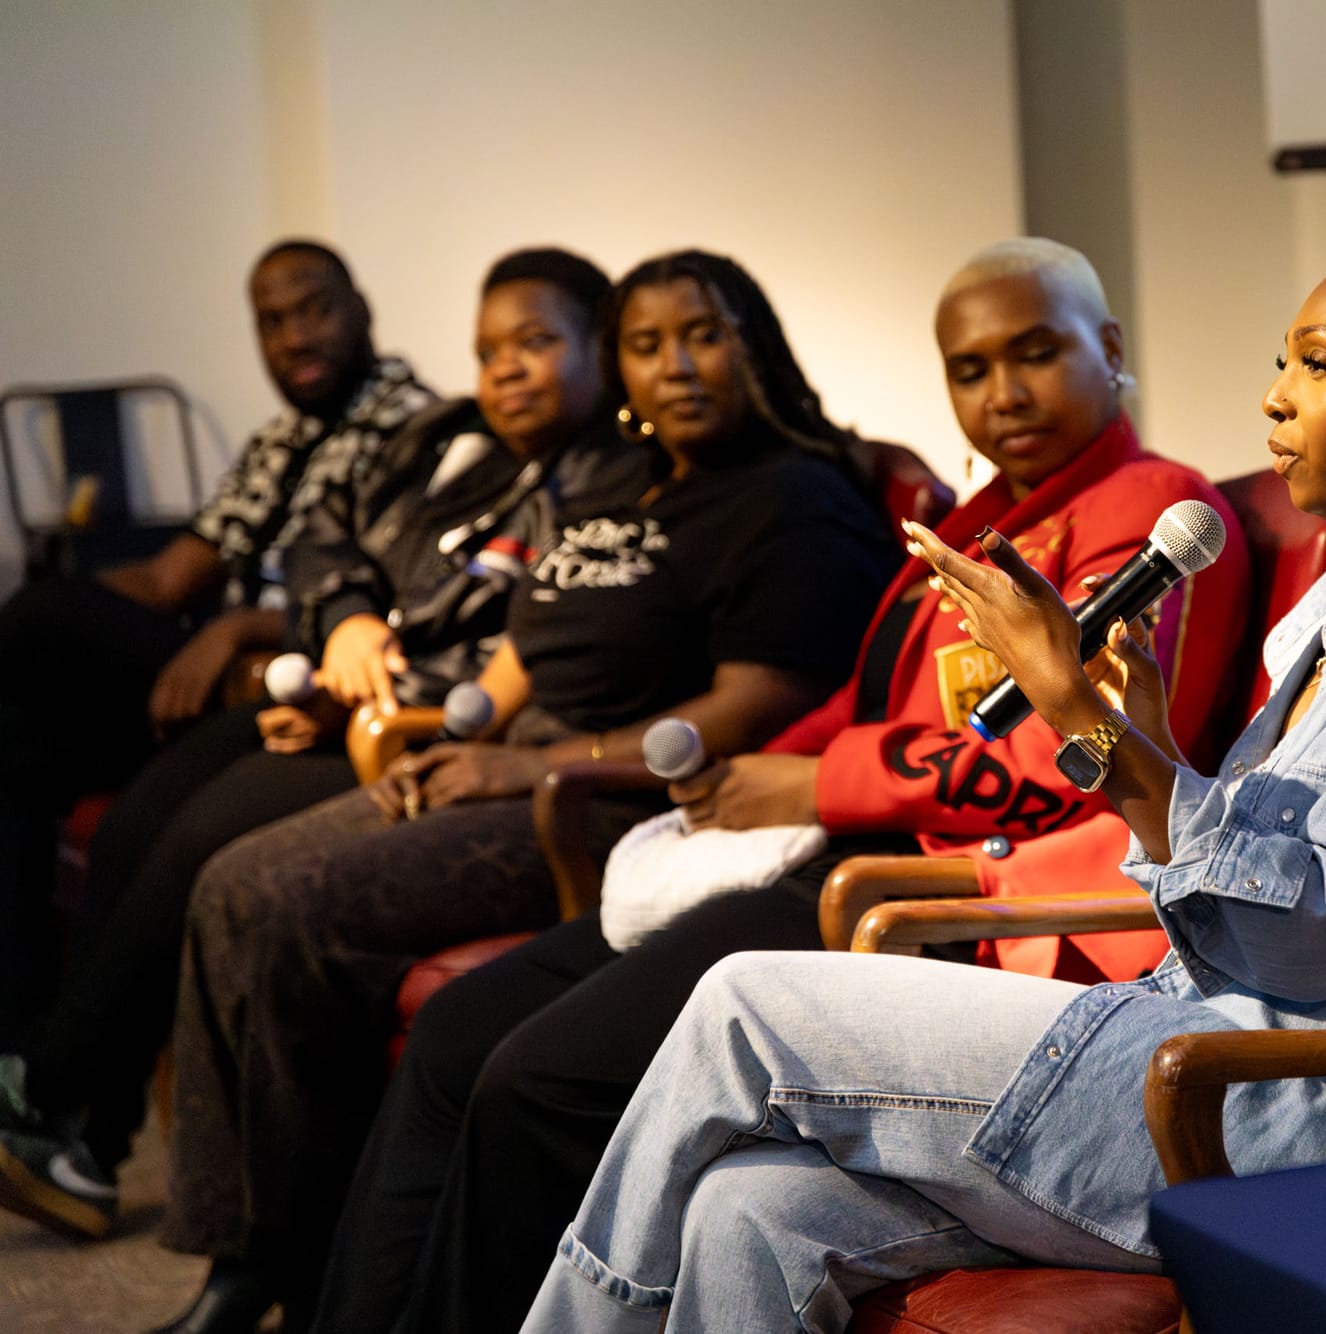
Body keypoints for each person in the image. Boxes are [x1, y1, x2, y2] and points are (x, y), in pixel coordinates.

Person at [521, 197, 1326, 1333]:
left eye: (1316, 362)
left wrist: (1077, 715)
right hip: (1199, 1040)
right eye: (1280, 359)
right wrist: (1140, 739)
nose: (1273, 394)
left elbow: (1319, 930)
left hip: (1324, 1115)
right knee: (748, 1206)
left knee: (740, 1005)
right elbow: (1246, 901)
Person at [307, 237, 1251, 1334]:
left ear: (1110, 349)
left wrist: (811, 783)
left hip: (944, 895)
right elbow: (869, 704)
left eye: (1034, 353)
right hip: (840, 856)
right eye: (969, 368)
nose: (1002, 393)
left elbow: (1065, 763)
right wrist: (738, 775)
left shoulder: (1148, 512)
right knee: (456, 1034)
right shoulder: (974, 521)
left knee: (538, 1078)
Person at [150, 249, 902, 1334]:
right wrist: (452, 724)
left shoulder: (792, 500)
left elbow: (740, 713)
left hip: (606, 798)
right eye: (646, 345)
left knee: (280, 901)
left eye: (702, 334)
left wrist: (531, 764)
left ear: (755, 340)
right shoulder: (637, 492)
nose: (675, 366)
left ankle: (269, 1261)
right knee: (234, 877)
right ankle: (288, 1277)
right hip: (530, 760)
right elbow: (529, 646)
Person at [0, 246, 634, 1243]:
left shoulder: (609, 479)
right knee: (134, 812)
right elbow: (333, 548)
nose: (504, 369)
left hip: (406, 724)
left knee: (204, 842)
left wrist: (337, 672)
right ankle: (73, 1120)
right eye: (487, 349)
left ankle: (45, 1087)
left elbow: (528, 651)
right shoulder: (460, 438)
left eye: (536, 342)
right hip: (343, 683)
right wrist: (338, 621)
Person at [0, 242, 433, 1045]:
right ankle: (19, 1042)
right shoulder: (282, 438)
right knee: (16, 734)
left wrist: (234, 626)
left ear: (362, 310)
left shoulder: (412, 430)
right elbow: (169, 580)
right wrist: (80, 606)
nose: (296, 337)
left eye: (315, 310)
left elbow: (394, 599)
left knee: (35, 624)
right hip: (214, 672)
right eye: (272, 322)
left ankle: (57, 1067)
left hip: (290, 675)